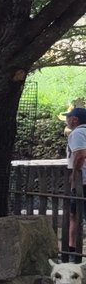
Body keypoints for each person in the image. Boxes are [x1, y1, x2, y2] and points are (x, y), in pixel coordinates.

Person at [66, 106, 86, 253]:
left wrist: (74, 175)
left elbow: (80, 155)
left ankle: (72, 249)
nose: (66, 120)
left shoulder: (77, 133)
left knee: (75, 214)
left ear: (75, 120)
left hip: (83, 181)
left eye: (68, 117)